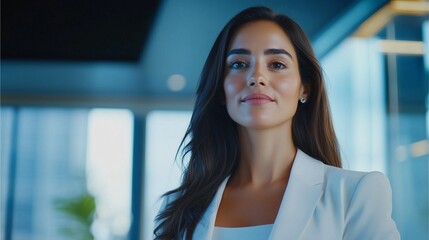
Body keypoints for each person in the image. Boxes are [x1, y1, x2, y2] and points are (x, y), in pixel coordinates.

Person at [154, 6, 400, 240]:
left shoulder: (355, 194)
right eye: (239, 64)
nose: (256, 77)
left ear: (305, 87)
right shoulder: (180, 207)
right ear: (220, 89)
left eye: (277, 65)